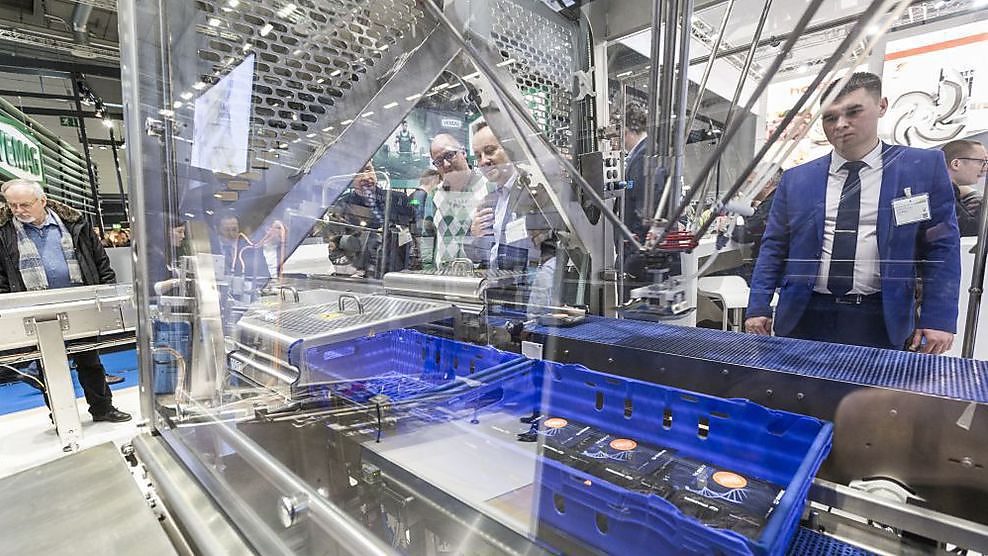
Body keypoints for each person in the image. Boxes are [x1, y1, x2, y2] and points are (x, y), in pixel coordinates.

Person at [745, 72, 960, 354]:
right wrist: (758, 306)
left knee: (877, 385)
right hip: (804, 314)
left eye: (853, 112)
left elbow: (942, 247)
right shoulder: (797, 179)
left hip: (881, 316)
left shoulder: (921, 167)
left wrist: (939, 318)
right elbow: (774, 246)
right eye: (829, 117)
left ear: (881, 106)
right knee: (795, 383)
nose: (840, 124)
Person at [0, 179, 131, 422]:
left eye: (25, 204)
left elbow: (99, 260)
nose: (18, 210)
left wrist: (107, 293)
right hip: (33, 309)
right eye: (12, 205)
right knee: (48, 366)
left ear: (42, 201)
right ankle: (61, 416)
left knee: (89, 360)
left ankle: (103, 409)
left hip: (78, 303)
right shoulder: (4, 232)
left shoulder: (74, 223)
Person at [469, 121, 559, 270]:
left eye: (490, 151)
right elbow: (475, 254)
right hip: (495, 280)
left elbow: (552, 252)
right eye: (478, 156)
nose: (483, 161)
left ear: (510, 148)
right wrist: (475, 236)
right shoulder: (489, 201)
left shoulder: (536, 192)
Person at [327, 161, 418, 277]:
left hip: (397, 274)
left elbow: (415, 235)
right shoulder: (342, 207)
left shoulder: (399, 200)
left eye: (368, 169)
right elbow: (335, 247)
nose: (365, 177)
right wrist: (351, 271)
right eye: (358, 173)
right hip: (361, 276)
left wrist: (412, 267)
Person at [429, 133, 489, 266]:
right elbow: (427, 239)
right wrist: (426, 270)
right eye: (438, 161)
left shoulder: (488, 188)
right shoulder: (435, 195)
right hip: (442, 276)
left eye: (449, 155)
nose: (445, 164)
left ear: (463, 152)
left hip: (477, 275)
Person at [942, 139, 987, 237]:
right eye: (981, 162)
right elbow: (971, 229)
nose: (985, 169)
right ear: (956, 164)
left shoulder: (946, 191)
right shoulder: (942, 194)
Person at [217, 214, 270, 280]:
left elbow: (264, 276)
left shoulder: (250, 249)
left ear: (239, 229)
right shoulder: (211, 247)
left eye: (234, 230)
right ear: (218, 230)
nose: (231, 234)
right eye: (227, 230)